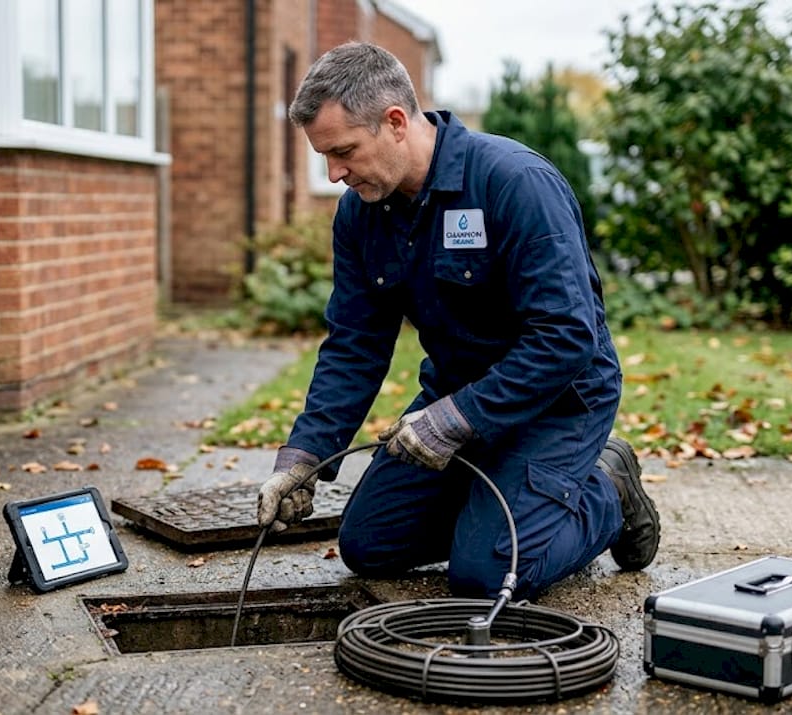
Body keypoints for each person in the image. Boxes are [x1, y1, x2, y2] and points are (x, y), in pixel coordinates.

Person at [255, 42, 660, 600]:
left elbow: (567, 337)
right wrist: (303, 456)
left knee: (487, 575)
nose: (333, 174)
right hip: (456, 400)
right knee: (368, 547)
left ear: (396, 122)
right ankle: (505, 505)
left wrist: (458, 419)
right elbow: (354, 344)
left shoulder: (514, 182)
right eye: (325, 156)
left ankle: (607, 488)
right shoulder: (361, 214)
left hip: (560, 401)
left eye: (344, 151)